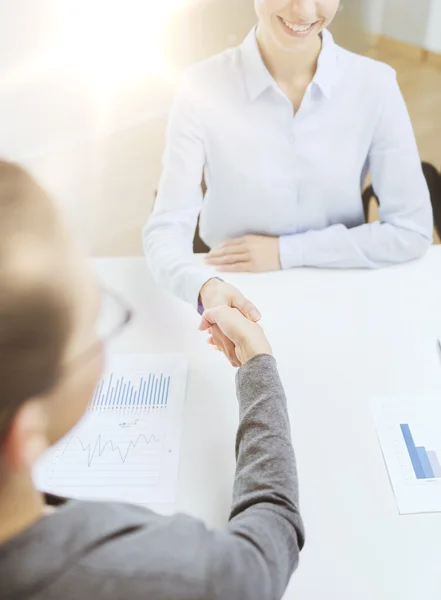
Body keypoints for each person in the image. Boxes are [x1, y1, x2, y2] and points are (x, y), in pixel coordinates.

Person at [0, 160, 304, 600]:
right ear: (23, 434)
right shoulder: (155, 573)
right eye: (92, 329)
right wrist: (258, 366)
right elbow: (261, 555)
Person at [143, 0, 433, 362]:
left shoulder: (375, 84)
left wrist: (285, 252)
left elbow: (413, 230)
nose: (305, 11)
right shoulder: (200, 86)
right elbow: (164, 229)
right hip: (232, 292)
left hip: (343, 286)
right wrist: (203, 288)